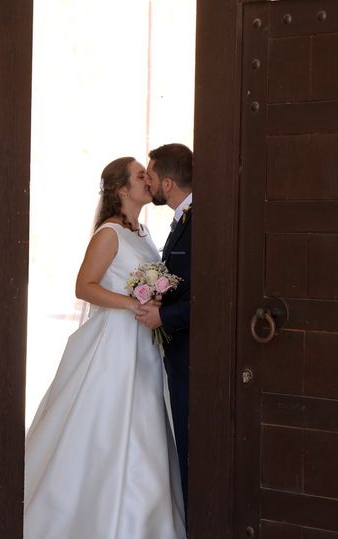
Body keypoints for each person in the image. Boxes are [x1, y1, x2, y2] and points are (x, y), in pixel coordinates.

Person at [24, 157, 187, 539]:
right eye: (139, 176)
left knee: (146, 430)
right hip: (116, 343)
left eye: (147, 174)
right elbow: (84, 286)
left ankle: (146, 524)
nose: (148, 180)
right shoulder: (109, 233)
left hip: (145, 345)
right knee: (110, 428)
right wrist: (132, 303)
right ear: (121, 190)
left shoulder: (145, 233)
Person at [137, 143, 192, 517]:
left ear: (168, 184)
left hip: (192, 355)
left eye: (152, 177)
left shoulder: (199, 221)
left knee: (192, 441)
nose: (149, 183)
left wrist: (164, 318)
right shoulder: (182, 220)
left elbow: (216, 295)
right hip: (176, 354)